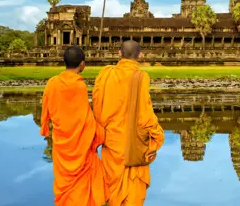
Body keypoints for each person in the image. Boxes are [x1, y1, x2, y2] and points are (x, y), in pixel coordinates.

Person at [92, 40, 165, 206]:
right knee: (133, 194)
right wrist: (157, 139)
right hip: (134, 146)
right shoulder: (140, 77)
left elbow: (96, 106)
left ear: (119, 54)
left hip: (111, 142)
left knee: (112, 191)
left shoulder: (105, 74)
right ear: (140, 55)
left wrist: (100, 132)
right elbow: (145, 115)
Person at [39, 46, 108, 206]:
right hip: (80, 145)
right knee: (89, 179)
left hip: (62, 142)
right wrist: (100, 133)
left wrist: (45, 126)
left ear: (64, 62)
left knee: (65, 183)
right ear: (82, 64)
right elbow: (85, 117)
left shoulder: (52, 83)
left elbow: (46, 111)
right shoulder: (79, 86)